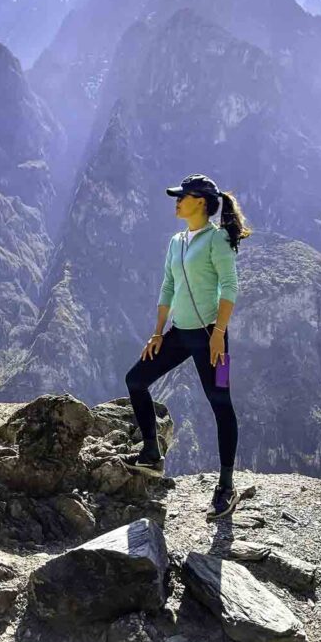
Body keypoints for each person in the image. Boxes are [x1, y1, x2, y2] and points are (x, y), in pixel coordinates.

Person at [122, 173, 252, 520]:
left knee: (221, 404)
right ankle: (151, 452)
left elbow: (229, 287)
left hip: (212, 336)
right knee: (135, 380)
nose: (176, 201)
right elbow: (167, 286)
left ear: (201, 202)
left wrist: (219, 332)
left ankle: (226, 486)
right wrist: (157, 332)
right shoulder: (176, 242)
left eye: (182, 196)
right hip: (179, 334)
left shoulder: (217, 240)